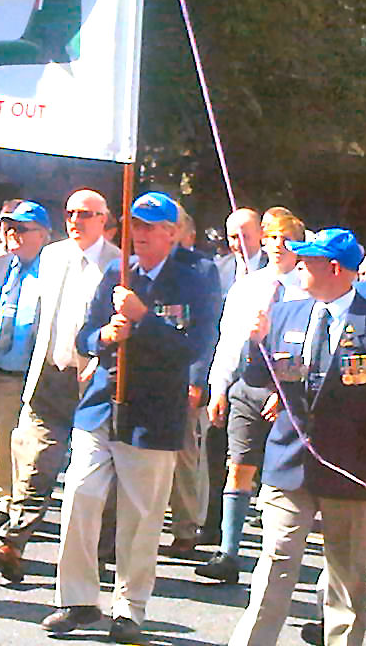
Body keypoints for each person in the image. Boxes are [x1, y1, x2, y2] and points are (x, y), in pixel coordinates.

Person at [44, 191, 216, 641]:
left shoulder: (197, 275)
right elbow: (85, 337)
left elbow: (195, 345)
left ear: (173, 233)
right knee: (80, 493)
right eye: (135, 225)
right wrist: (104, 334)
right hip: (102, 402)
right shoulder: (120, 272)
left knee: (141, 515)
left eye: (150, 226)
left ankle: (129, 607)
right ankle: (78, 599)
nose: (139, 234)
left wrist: (144, 322)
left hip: (154, 408)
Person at [228, 228, 366, 646]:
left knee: (346, 581)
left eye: (307, 260)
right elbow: (257, 378)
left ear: (334, 268)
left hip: (354, 470)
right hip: (289, 463)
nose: (297, 267)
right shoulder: (285, 314)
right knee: (273, 567)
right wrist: (255, 342)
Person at [0, 189, 118, 582]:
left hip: (92, 380)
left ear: (104, 219)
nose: (76, 220)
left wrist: (101, 362)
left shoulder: (118, 265)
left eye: (87, 214)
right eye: (71, 212)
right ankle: (12, 544)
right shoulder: (53, 257)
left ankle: (101, 553)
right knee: (35, 464)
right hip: (49, 374)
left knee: (93, 474)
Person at [198, 207, 307, 584]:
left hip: (289, 395)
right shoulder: (247, 285)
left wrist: (288, 391)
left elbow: (311, 350)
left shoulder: (307, 289)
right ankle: (228, 552)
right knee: (238, 465)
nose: (278, 246)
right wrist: (218, 389)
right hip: (248, 385)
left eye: (287, 239)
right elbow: (227, 341)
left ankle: (276, 557)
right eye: (272, 238)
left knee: (279, 479)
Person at [0, 200, 50, 529]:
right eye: (8, 227)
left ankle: (25, 503)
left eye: (21, 228)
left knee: (31, 444)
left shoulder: (52, 270)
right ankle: (3, 501)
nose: (12, 233)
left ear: (43, 235)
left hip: (36, 372)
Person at [166, 201, 225, 557]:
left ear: (184, 233)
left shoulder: (202, 270)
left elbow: (206, 330)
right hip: (144, 376)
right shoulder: (135, 266)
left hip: (183, 374)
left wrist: (196, 380)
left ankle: (186, 526)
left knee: (184, 453)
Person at [217, 208, 267, 295]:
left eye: (244, 237)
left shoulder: (275, 266)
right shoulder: (219, 269)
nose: (238, 244)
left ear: (261, 233)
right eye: (233, 237)